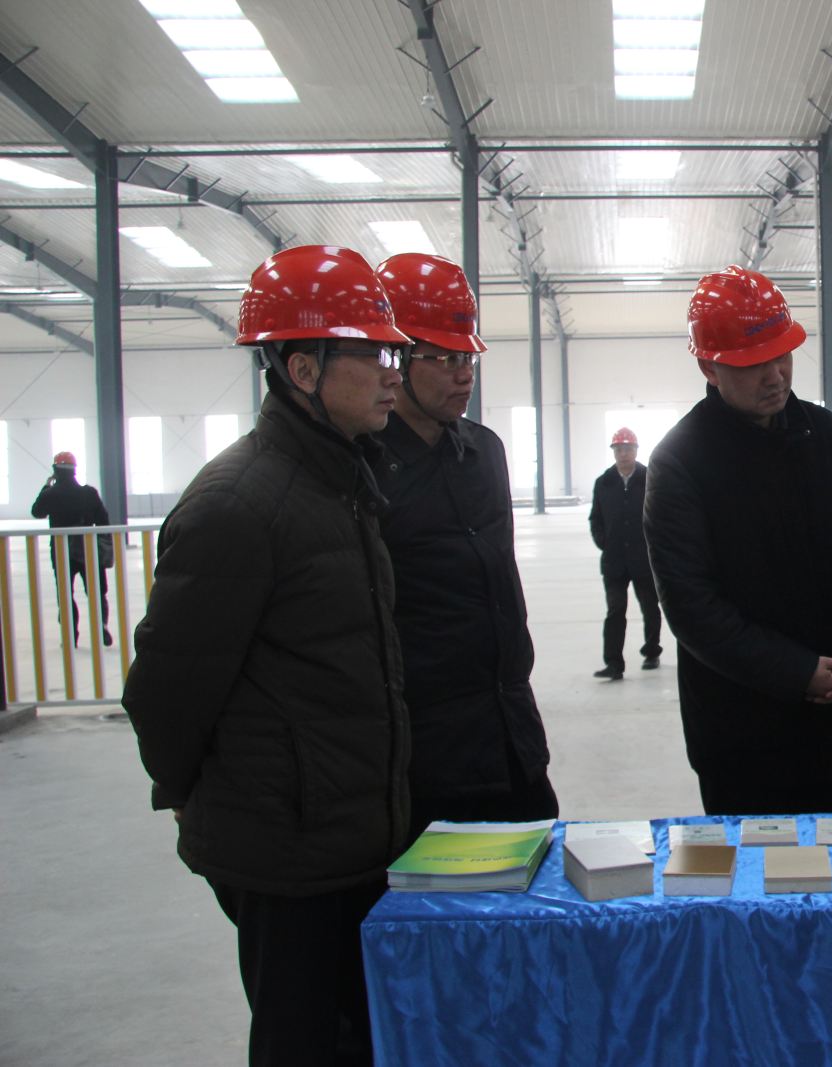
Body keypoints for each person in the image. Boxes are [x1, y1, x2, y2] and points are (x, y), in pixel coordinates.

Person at [122, 245, 412, 1067]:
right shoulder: (238, 505)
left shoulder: (340, 482)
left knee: (360, 1038)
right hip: (286, 855)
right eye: (371, 354)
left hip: (351, 834)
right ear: (302, 369)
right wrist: (189, 795)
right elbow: (165, 692)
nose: (392, 373)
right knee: (301, 1041)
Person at [643, 265, 832, 816]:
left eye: (783, 356)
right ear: (709, 366)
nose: (776, 375)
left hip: (830, 717)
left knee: (829, 855)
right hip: (738, 728)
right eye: (754, 363)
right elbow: (691, 606)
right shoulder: (681, 461)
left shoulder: (824, 435)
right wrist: (797, 673)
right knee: (748, 865)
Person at [373, 251, 558, 840]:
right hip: (427, 757)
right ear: (396, 358)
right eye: (445, 359)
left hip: (511, 734)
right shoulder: (364, 471)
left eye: (469, 358)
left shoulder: (485, 452)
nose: (464, 376)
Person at [588, 426, 663, 680]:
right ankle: (613, 663)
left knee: (650, 607)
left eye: (628, 448)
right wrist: (605, 543)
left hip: (644, 559)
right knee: (615, 610)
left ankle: (651, 652)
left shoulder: (650, 478)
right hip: (614, 561)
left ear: (636, 450)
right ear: (613, 452)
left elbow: (662, 516)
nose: (623, 453)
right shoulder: (604, 483)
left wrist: (653, 545)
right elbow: (595, 519)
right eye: (619, 449)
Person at [30, 451, 113, 646]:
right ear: (74, 470)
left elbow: (37, 512)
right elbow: (103, 520)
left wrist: (46, 486)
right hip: (88, 549)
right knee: (97, 592)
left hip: (61, 550)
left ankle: (70, 635)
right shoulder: (89, 493)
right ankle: (101, 626)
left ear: (55, 470)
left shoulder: (50, 494)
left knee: (65, 594)